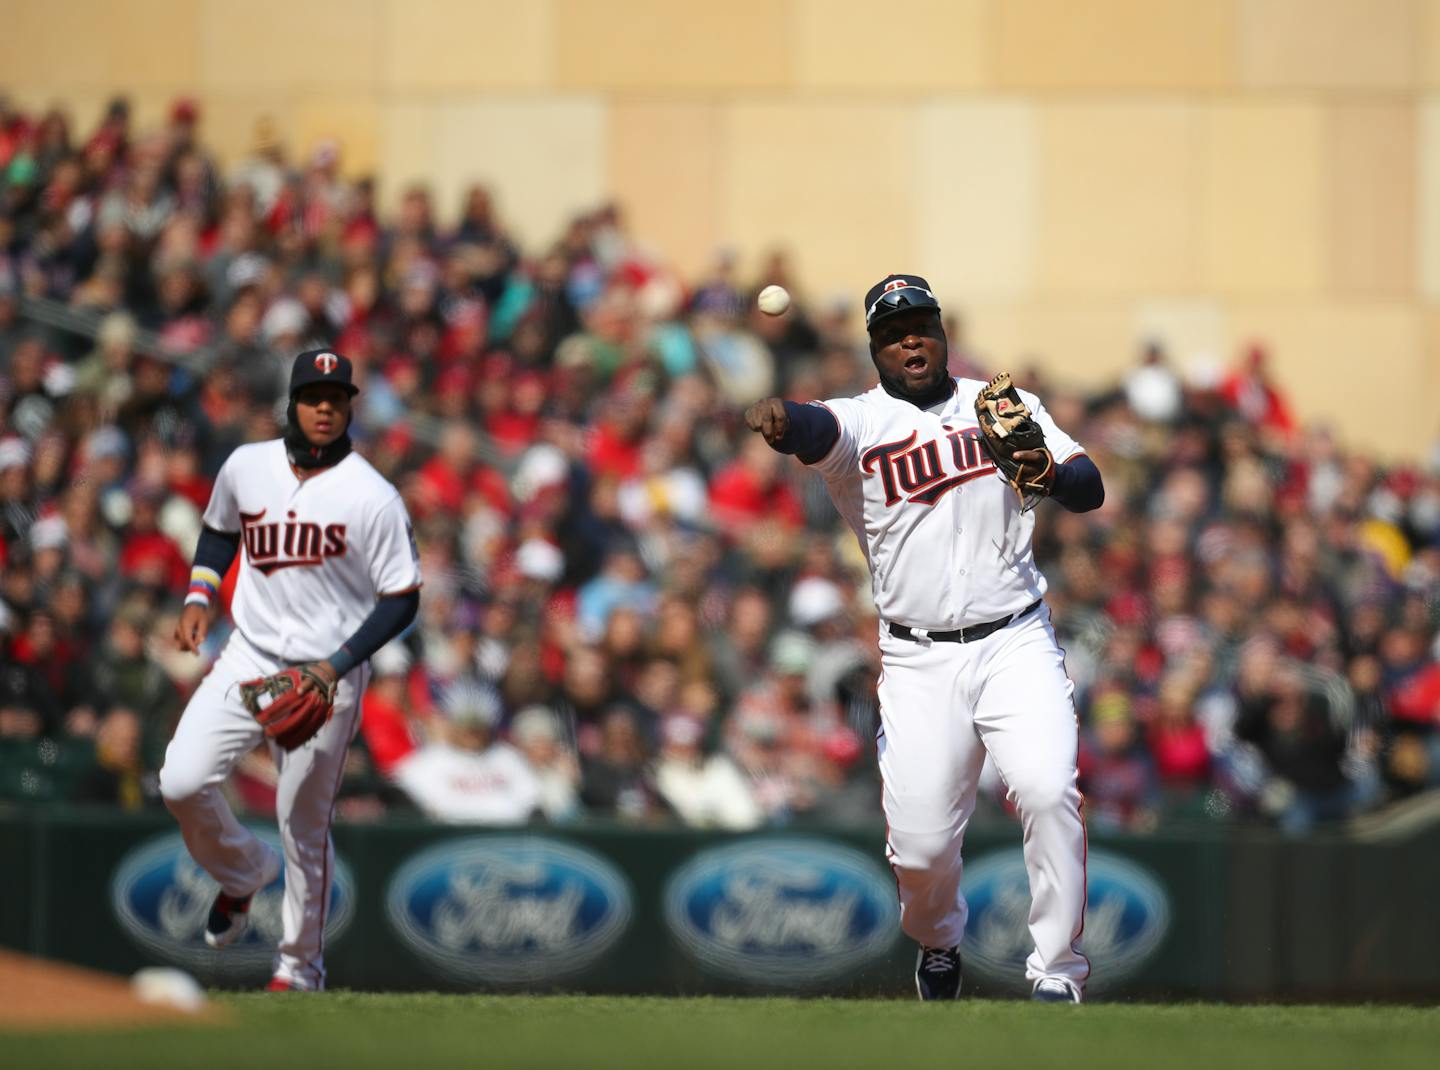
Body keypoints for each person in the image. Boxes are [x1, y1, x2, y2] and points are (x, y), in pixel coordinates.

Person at [743, 274, 1104, 1003]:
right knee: (922, 848)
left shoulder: (1001, 404)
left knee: (1045, 788)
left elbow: (1089, 484)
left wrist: (1050, 475)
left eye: (922, 326)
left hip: (1015, 640)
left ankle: (1056, 974)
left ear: (941, 334)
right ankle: (938, 941)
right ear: (876, 348)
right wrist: (782, 416)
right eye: (894, 331)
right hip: (916, 657)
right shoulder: (862, 422)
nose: (911, 339)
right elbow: (816, 428)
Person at [159, 350, 421, 992]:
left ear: (350, 405)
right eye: (313, 396)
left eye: (336, 396)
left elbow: (403, 597)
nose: (325, 407)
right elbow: (220, 531)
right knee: (180, 781)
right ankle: (243, 872)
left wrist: (336, 668)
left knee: (303, 826)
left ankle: (298, 968)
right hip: (248, 653)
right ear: (293, 404)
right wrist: (198, 595)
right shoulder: (247, 465)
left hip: (326, 670)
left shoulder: (372, 496)